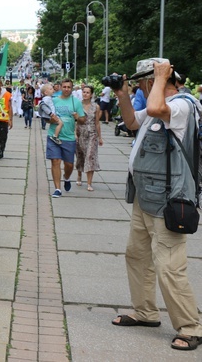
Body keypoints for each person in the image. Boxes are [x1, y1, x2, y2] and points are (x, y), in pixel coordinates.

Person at [111, 58, 202, 351]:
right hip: (145, 197)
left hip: (169, 200)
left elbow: (154, 110)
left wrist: (162, 76)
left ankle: (191, 326)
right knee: (136, 255)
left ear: (156, 79)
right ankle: (146, 312)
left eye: (142, 81)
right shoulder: (159, 106)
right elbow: (132, 122)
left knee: (169, 266)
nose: (140, 85)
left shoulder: (181, 106)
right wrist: (122, 95)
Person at [46, 79, 86, 198]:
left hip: (69, 137)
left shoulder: (76, 102)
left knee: (69, 164)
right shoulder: (54, 101)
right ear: (60, 87)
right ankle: (57, 188)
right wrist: (50, 120)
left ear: (72, 88)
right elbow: (46, 117)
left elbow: (83, 120)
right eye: (64, 87)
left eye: (69, 87)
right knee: (55, 161)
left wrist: (77, 117)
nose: (66, 89)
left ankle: (66, 177)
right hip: (54, 135)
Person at [75, 85, 102, 191]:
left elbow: (97, 123)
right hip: (80, 132)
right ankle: (79, 175)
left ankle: (89, 183)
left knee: (90, 156)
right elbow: (75, 121)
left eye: (87, 92)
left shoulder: (96, 107)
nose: (85, 94)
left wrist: (100, 137)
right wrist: (74, 133)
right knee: (80, 155)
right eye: (84, 92)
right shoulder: (78, 105)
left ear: (91, 94)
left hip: (92, 133)